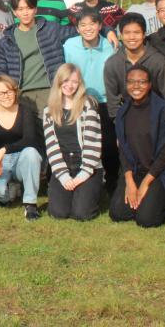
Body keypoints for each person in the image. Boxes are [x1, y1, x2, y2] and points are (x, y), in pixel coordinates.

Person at [0, 0, 100, 121]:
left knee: (51, 135)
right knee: (29, 137)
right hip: (21, 95)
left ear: (35, 9)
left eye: (29, 8)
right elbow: (0, 73)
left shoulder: (50, 29)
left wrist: (107, 30)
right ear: (15, 12)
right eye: (20, 9)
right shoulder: (7, 40)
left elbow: (80, 31)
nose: (25, 12)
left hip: (49, 91)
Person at [108, 67, 165, 228]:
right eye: (131, 82)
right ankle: (146, 203)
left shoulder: (163, 110)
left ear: (150, 84)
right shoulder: (123, 112)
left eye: (141, 82)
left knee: (146, 219)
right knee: (118, 213)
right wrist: (129, 181)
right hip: (136, 171)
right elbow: (123, 149)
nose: (136, 86)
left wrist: (146, 182)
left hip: (158, 172)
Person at [64, 9, 117, 193]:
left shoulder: (110, 45)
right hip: (80, 100)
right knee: (83, 143)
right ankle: (84, 180)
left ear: (100, 26)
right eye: (83, 25)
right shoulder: (69, 45)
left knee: (109, 144)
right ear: (77, 28)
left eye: (92, 24)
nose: (88, 28)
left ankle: (112, 181)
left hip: (105, 101)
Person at [42, 64, 103, 221]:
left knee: (81, 214)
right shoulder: (48, 111)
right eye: (66, 80)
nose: (70, 85)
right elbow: (51, 146)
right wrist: (63, 176)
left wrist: (83, 175)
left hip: (87, 163)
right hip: (62, 162)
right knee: (58, 213)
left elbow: (93, 143)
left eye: (74, 82)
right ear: (59, 82)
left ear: (80, 83)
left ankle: (91, 192)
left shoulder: (88, 106)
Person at [0, 75, 45, 220]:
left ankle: (30, 204)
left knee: (32, 153)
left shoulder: (25, 111)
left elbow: (30, 140)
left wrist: (3, 150)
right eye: (1, 93)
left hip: (22, 159)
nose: (7, 96)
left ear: (15, 92)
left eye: (10, 91)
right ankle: (7, 192)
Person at [103, 13, 165, 121]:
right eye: (127, 33)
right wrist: (119, 124)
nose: (132, 37)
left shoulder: (158, 61)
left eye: (136, 32)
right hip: (127, 121)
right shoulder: (112, 63)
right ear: (121, 35)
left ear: (144, 34)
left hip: (156, 119)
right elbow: (113, 100)